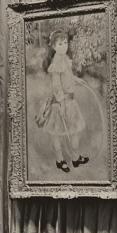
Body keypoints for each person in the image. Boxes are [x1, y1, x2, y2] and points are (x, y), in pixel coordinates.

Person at [33, 30, 90, 173]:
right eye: (60, 44)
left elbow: (67, 78)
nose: (64, 46)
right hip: (61, 103)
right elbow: (57, 86)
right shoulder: (56, 62)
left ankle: (75, 158)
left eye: (65, 43)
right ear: (53, 46)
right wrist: (62, 104)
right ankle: (59, 160)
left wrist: (76, 79)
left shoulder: (64, 58)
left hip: (70, 102)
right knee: (57, 132)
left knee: (75, 131)